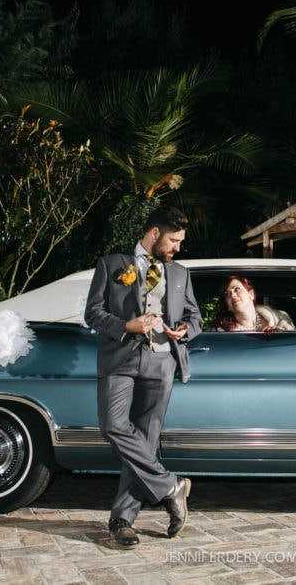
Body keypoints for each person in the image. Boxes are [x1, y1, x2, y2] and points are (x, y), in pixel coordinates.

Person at [83, 205, 202, 550]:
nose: (177, 248)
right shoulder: (112, 265)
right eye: (173, 240)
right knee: (113, 426)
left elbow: (194, 317)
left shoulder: (180, 273)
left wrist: (184, 330)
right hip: (120, 359)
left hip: (162, 362)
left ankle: (123, 520)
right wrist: (125, 325)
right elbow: (93, 313)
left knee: (145, 444)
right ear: (154, 233)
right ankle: (170, 486)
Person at [214, 275, 295, 333]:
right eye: (227, 294)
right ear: (228, 306)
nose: (232, 295)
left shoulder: (281, 319)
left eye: (237, 289)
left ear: (251, 294)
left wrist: (281, 335)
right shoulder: (219, 332)